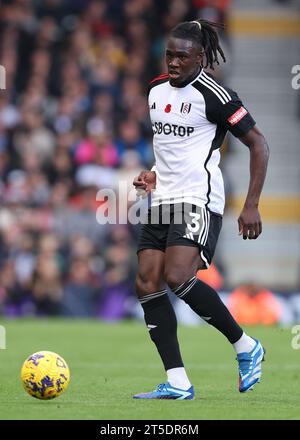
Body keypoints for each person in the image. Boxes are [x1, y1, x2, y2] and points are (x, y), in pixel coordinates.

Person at [132, 19, 269, 400]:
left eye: (182, 56)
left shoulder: (217, 96)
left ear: (201, 57)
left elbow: (259, 144)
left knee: (178, 276)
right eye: (169, 55)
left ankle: (245, 346)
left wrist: (252, 205)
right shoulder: (155, 90)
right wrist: (153, 175)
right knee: (146, 281)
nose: (173, 63)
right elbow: (172, 148)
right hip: (162, 199)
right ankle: (177, 381)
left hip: (198, 199)